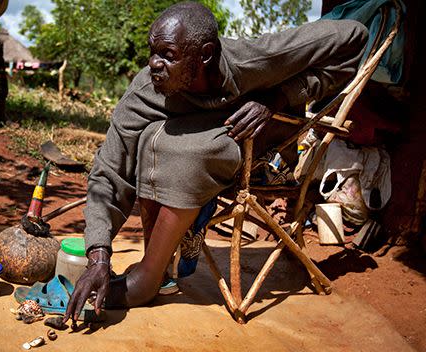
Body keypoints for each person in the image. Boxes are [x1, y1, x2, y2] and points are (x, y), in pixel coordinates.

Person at [63, 2, 368, 324]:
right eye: (152, 52)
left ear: (205, 54)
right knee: (154, 138)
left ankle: (146, 281)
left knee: (185, 151)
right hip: (204, 137)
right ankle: (160, 262)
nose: (154, 64)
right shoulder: (145, 93)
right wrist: (98, 256)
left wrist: (278, 98)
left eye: (168, 55)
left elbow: (354, 36)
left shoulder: (256, 58)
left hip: (266, 139)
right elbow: (110, 170)